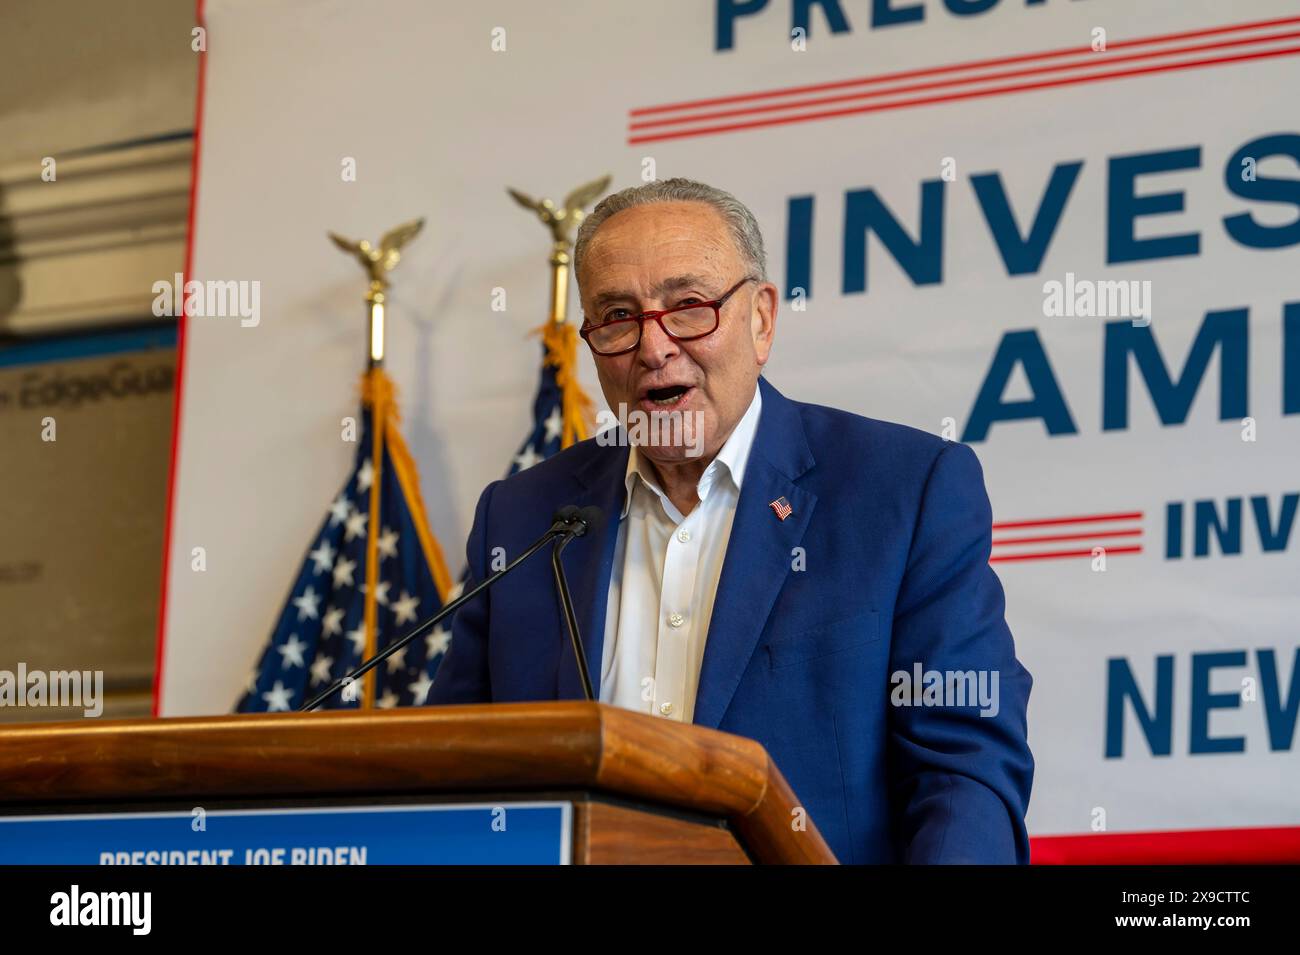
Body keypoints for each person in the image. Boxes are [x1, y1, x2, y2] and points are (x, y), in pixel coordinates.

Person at [431, 178, 1034, 864]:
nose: (653, 348)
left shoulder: (903, 491)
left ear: (762, 320)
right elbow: (450, 773)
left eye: (689, 307)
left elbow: (964, 772)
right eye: (618, 316)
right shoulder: (523, 517)